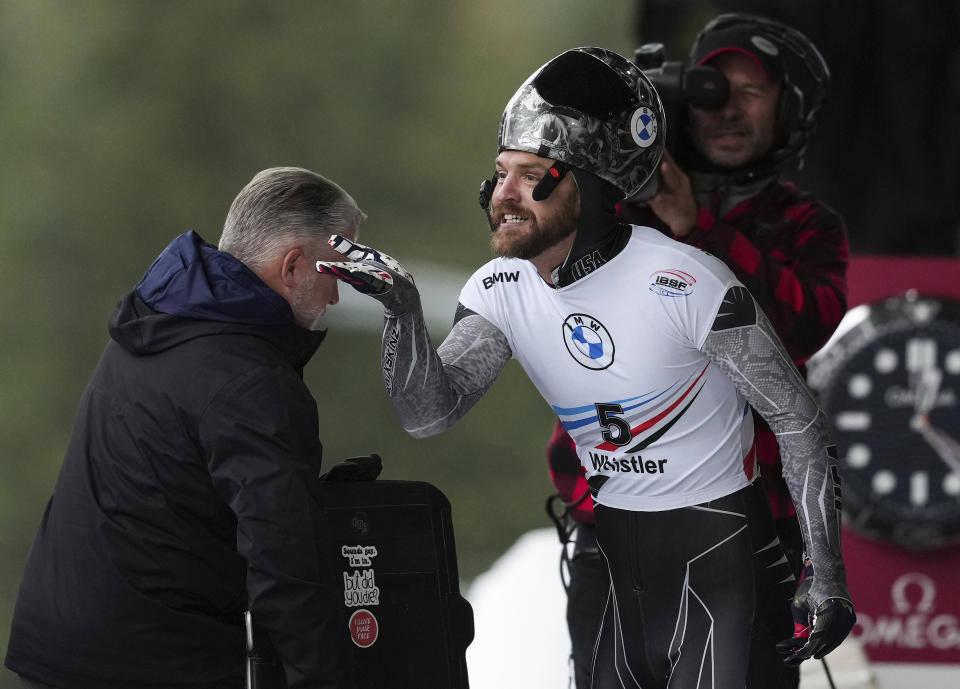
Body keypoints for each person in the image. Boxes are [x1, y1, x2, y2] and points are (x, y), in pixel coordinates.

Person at [316, 46, 856, 688]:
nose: (502, 195)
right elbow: (429, 415)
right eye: (500, 173)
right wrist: (401, 310)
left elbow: (798, 421)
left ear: (592, 186)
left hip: (723, 554)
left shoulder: (686, 279)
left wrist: (825, 572)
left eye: (530, 174)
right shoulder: (502, 288)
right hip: (616, 557)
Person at [546, 14, 851, 689]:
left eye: (753, 91)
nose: (729, 110)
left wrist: (696, 226)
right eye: (713, 89)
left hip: (750, 537)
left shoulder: (808, 226)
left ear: (788, 107)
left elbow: (800, 324)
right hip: (612, 527)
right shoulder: (612, 215)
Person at [5, 167, 364, 689]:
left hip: (55, 651)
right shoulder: (251, 381)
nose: (335, 298)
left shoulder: (155, 325)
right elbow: (287, 565)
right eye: (337, 272)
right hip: (151, 664)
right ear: (292, 266)